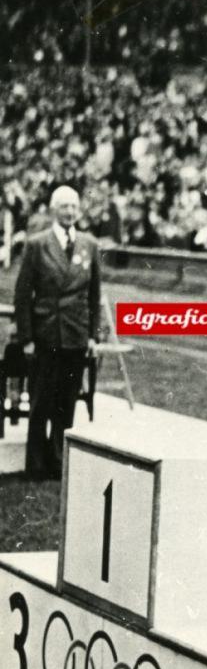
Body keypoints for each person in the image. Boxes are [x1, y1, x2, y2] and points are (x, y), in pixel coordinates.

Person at [14, 186, 101, 482]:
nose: (70, 212)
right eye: (64, 206)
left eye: (74, 206)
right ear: (53, 209)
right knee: (41, 402)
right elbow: (23, 294)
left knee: (66, 402)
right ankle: (36, 464)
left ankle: (59, 461)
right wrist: (26, 338)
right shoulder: (37, 244)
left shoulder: (89, 244)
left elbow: (94, 295)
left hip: (75, 335)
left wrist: (92, 336)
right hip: (46, 334)